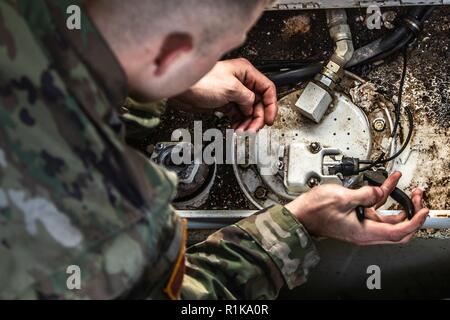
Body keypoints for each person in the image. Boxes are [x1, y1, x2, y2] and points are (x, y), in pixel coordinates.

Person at [0, 0, 429, 300]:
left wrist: (160, 81)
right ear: (171, 52)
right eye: (218, 48)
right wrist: (298, 223)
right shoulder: (108, 231)